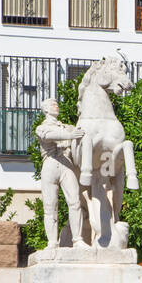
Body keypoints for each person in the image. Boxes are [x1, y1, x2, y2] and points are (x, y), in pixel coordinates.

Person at [35, 98, 88, 248]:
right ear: (45, 110)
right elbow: (48, 136)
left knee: (75, 202)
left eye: (57, 103)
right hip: (50, 164)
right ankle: (52, 241)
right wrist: (70, 135)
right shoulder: (41, 127)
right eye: (52, 104)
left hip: (66, 163)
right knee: (50, 206)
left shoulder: (67, 127)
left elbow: (81, 132)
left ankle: (77, 239)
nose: (56, 105)